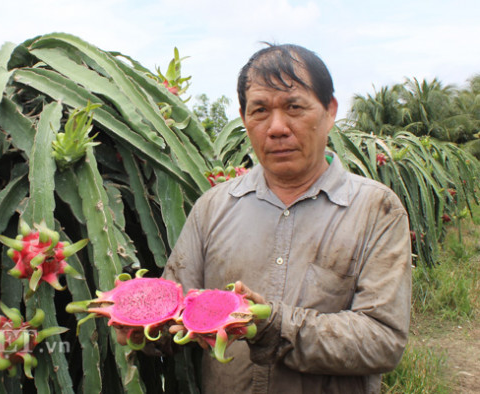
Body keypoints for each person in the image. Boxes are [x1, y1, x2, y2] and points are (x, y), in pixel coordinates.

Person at [121, 43, 412, 394]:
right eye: (260, 110)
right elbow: (176, 314)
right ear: (244, 118)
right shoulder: (212, 207)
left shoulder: (377, 210)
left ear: (329, 111)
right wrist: (140, 325)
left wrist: (275, 326)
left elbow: (383, 340)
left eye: (294, 107)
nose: (276, 128)